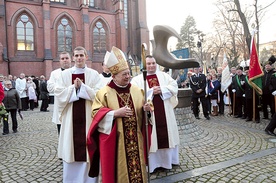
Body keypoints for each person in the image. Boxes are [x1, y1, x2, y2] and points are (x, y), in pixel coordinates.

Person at [87, 46, 150, 182]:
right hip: (116, 142)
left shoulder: (138, 91)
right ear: (114, 76)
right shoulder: (104, 93)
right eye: (124, 74)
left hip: (136, 140)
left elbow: (145, 117)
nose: (128, 77)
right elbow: (96, 114)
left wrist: (147, 111)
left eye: (128, 73)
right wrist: (114, 113)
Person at [55, 46, 103, 183]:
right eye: (76, 56)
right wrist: (73, 88)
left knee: (88, 147)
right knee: (71, 148)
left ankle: (89, 180)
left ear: (86, 57)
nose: (79, 58)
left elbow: (99, 94)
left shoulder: (94, 74)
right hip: (70, 118)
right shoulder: (64, 75)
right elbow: (58, 93)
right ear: (73, 57)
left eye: (81, 55)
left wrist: (83, 87)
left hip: (88, 117)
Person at [131, 55, 180, 173]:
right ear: (144, 65)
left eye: (153, 63)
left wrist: (162, 89)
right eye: (148, 64)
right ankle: (152, 164)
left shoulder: (164, 76)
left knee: (167, 136)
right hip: (149, 114)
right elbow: (134, 93)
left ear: (156, 64)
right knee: (152, 139)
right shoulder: (138, 79)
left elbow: (174, 86)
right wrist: (151, 91)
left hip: (165, 113)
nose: (151, 66)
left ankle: (167, 162)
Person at [47, 51, 71, 135]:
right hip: (60, 107)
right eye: (62, 58)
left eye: (67, 58)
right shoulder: (55, 73)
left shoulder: (75, 71)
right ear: (60, 61)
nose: (65, 60)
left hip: (73, 105)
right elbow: (49, 88)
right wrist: (63, 89)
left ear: (70, 59)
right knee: (61, 134)